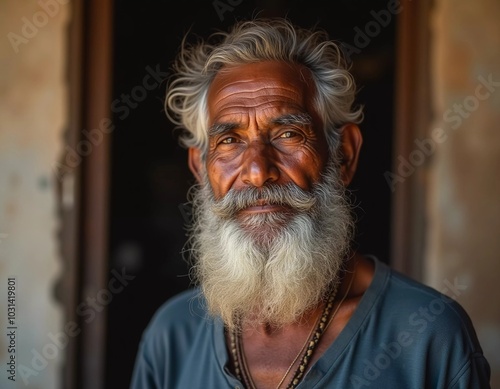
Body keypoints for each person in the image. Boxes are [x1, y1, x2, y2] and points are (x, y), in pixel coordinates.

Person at [129, 17, 491, 389]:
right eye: (229, 141)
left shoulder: (428, 334)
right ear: (201, 170)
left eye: (288, 134)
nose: (257, 171)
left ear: (344, 155)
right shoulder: (172, 336)